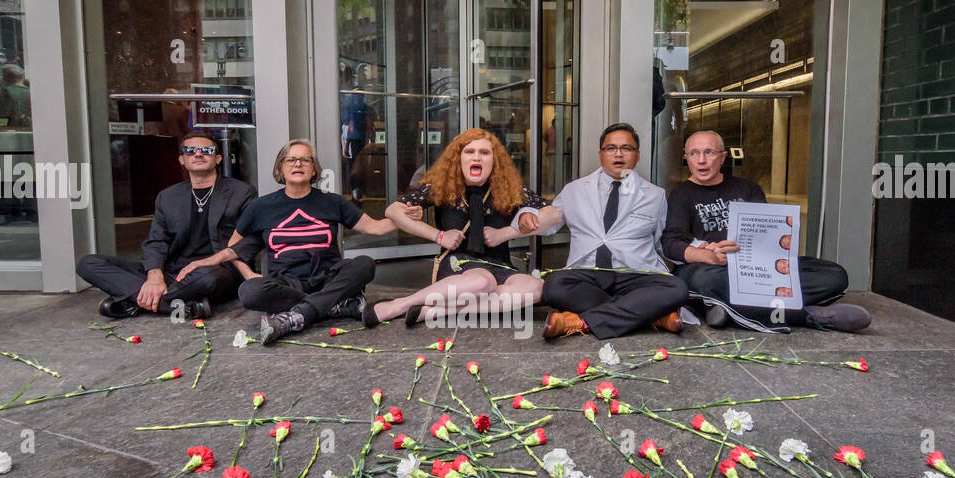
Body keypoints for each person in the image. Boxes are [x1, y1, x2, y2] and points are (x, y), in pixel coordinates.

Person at [189, 139, 398, 344]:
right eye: (290, 160)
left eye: (305, 160)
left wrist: (406, 217)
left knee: (365, 264)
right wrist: (250, 275)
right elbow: (233, 247)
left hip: (328, 277)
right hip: (286, 283)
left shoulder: (332, 202)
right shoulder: (261, 207)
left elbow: (376, 227)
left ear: (314, 169)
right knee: (249, 291)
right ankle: (333, 305)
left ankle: (300, 314)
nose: (298, 164)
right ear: (280, 168)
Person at [663, 130, 871, 332]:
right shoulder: (681, 195)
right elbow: (671, 244)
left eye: (709, 152)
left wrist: (777, 242)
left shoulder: (748, 188)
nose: (701, 160)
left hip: (757, 268)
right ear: (686, 158)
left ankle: (728, 309)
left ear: (723, 157)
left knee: (834, 275)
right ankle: (805, 315)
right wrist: (707, 255)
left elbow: (767, 236)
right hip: (712, 270)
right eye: (693, 153)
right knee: (699, 282)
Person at [364, 128, 546, 327]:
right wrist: (438, 236)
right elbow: (393, 211)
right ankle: (401, 304)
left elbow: (553, 213)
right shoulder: (442, 187)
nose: (477, 157)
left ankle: (432, 311)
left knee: (535, 288)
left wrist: (520, 219)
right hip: (459, 263)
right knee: (483, 283)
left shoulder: (512, 191)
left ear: (495, 160)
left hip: (499, 264)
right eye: (469, 152)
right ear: (458, 158)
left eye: (484, 153)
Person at [76, 130, 258, 320]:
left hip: (215, 270)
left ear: (218, 158)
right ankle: (177, 306)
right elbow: (157, 240)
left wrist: (209, 262)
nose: (198, 154)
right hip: (172, 271)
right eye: (190, 150)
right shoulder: (168, 196)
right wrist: (155, 275)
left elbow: (250, 240)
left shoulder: (242, 192)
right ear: (182, 159)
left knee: (208, 279)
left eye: (206, 150)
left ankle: (137, 301)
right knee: (88, 264)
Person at [534, 122, 689, 339]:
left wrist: (699, 250)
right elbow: (548, 224)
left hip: (633, 274)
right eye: (611, 148)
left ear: (637, 155)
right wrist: (522, 220)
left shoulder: (655, 195)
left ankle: (578, 321)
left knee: (677, 288)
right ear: (601, 154)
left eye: (626, 148)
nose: (618, 154)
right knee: (554, 285)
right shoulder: (575, 190)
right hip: (589, 274)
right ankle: (653, 316)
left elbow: (658, 243)